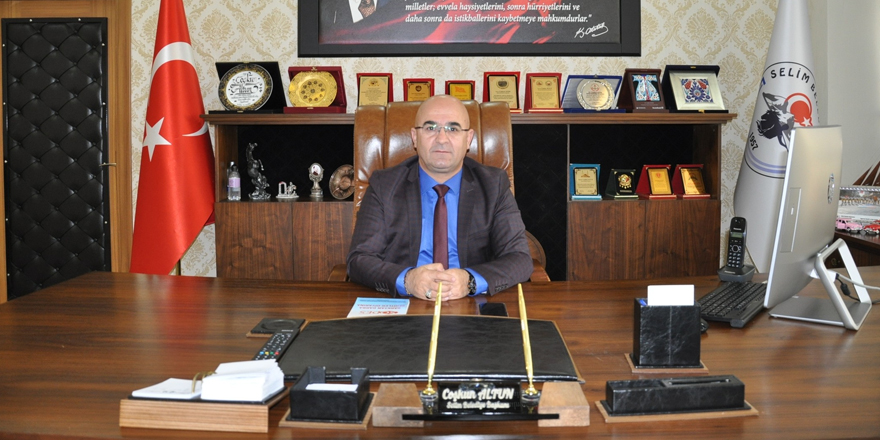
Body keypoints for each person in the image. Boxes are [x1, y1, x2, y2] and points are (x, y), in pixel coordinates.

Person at [347, 95, 532, 301]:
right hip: (405, 301)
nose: (442, 139)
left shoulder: (493, 185)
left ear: (468, 139)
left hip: (471, 302)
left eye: (453, 128)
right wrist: (408, 280)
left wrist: (470, 281)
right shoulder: (384, 185)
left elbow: (520, 258)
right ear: (415, 137)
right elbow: (359, 259)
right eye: (430, 128)